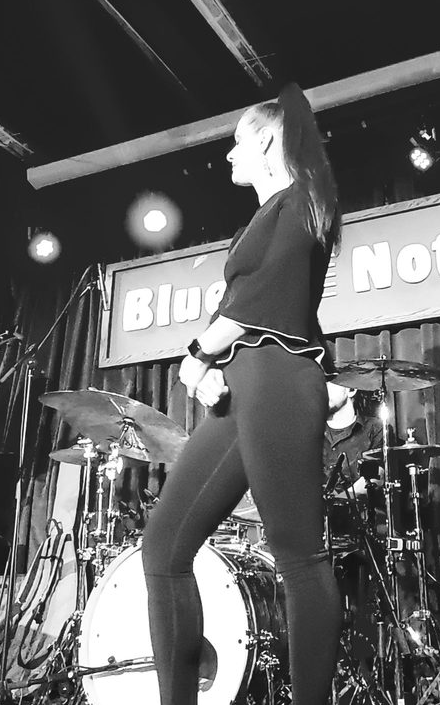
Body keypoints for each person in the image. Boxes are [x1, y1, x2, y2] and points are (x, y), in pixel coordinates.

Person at [142, 83, 342, 705]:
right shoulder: (266, 214)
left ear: (267, 140)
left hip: (278, 378)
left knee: (298, 556)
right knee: (164, 547)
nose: (228, 155)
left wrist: (200, 353)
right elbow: (242, 306)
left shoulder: (300, 201)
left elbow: (263, 297)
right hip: (246, 385)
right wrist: (211, 366)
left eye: (235, 143)